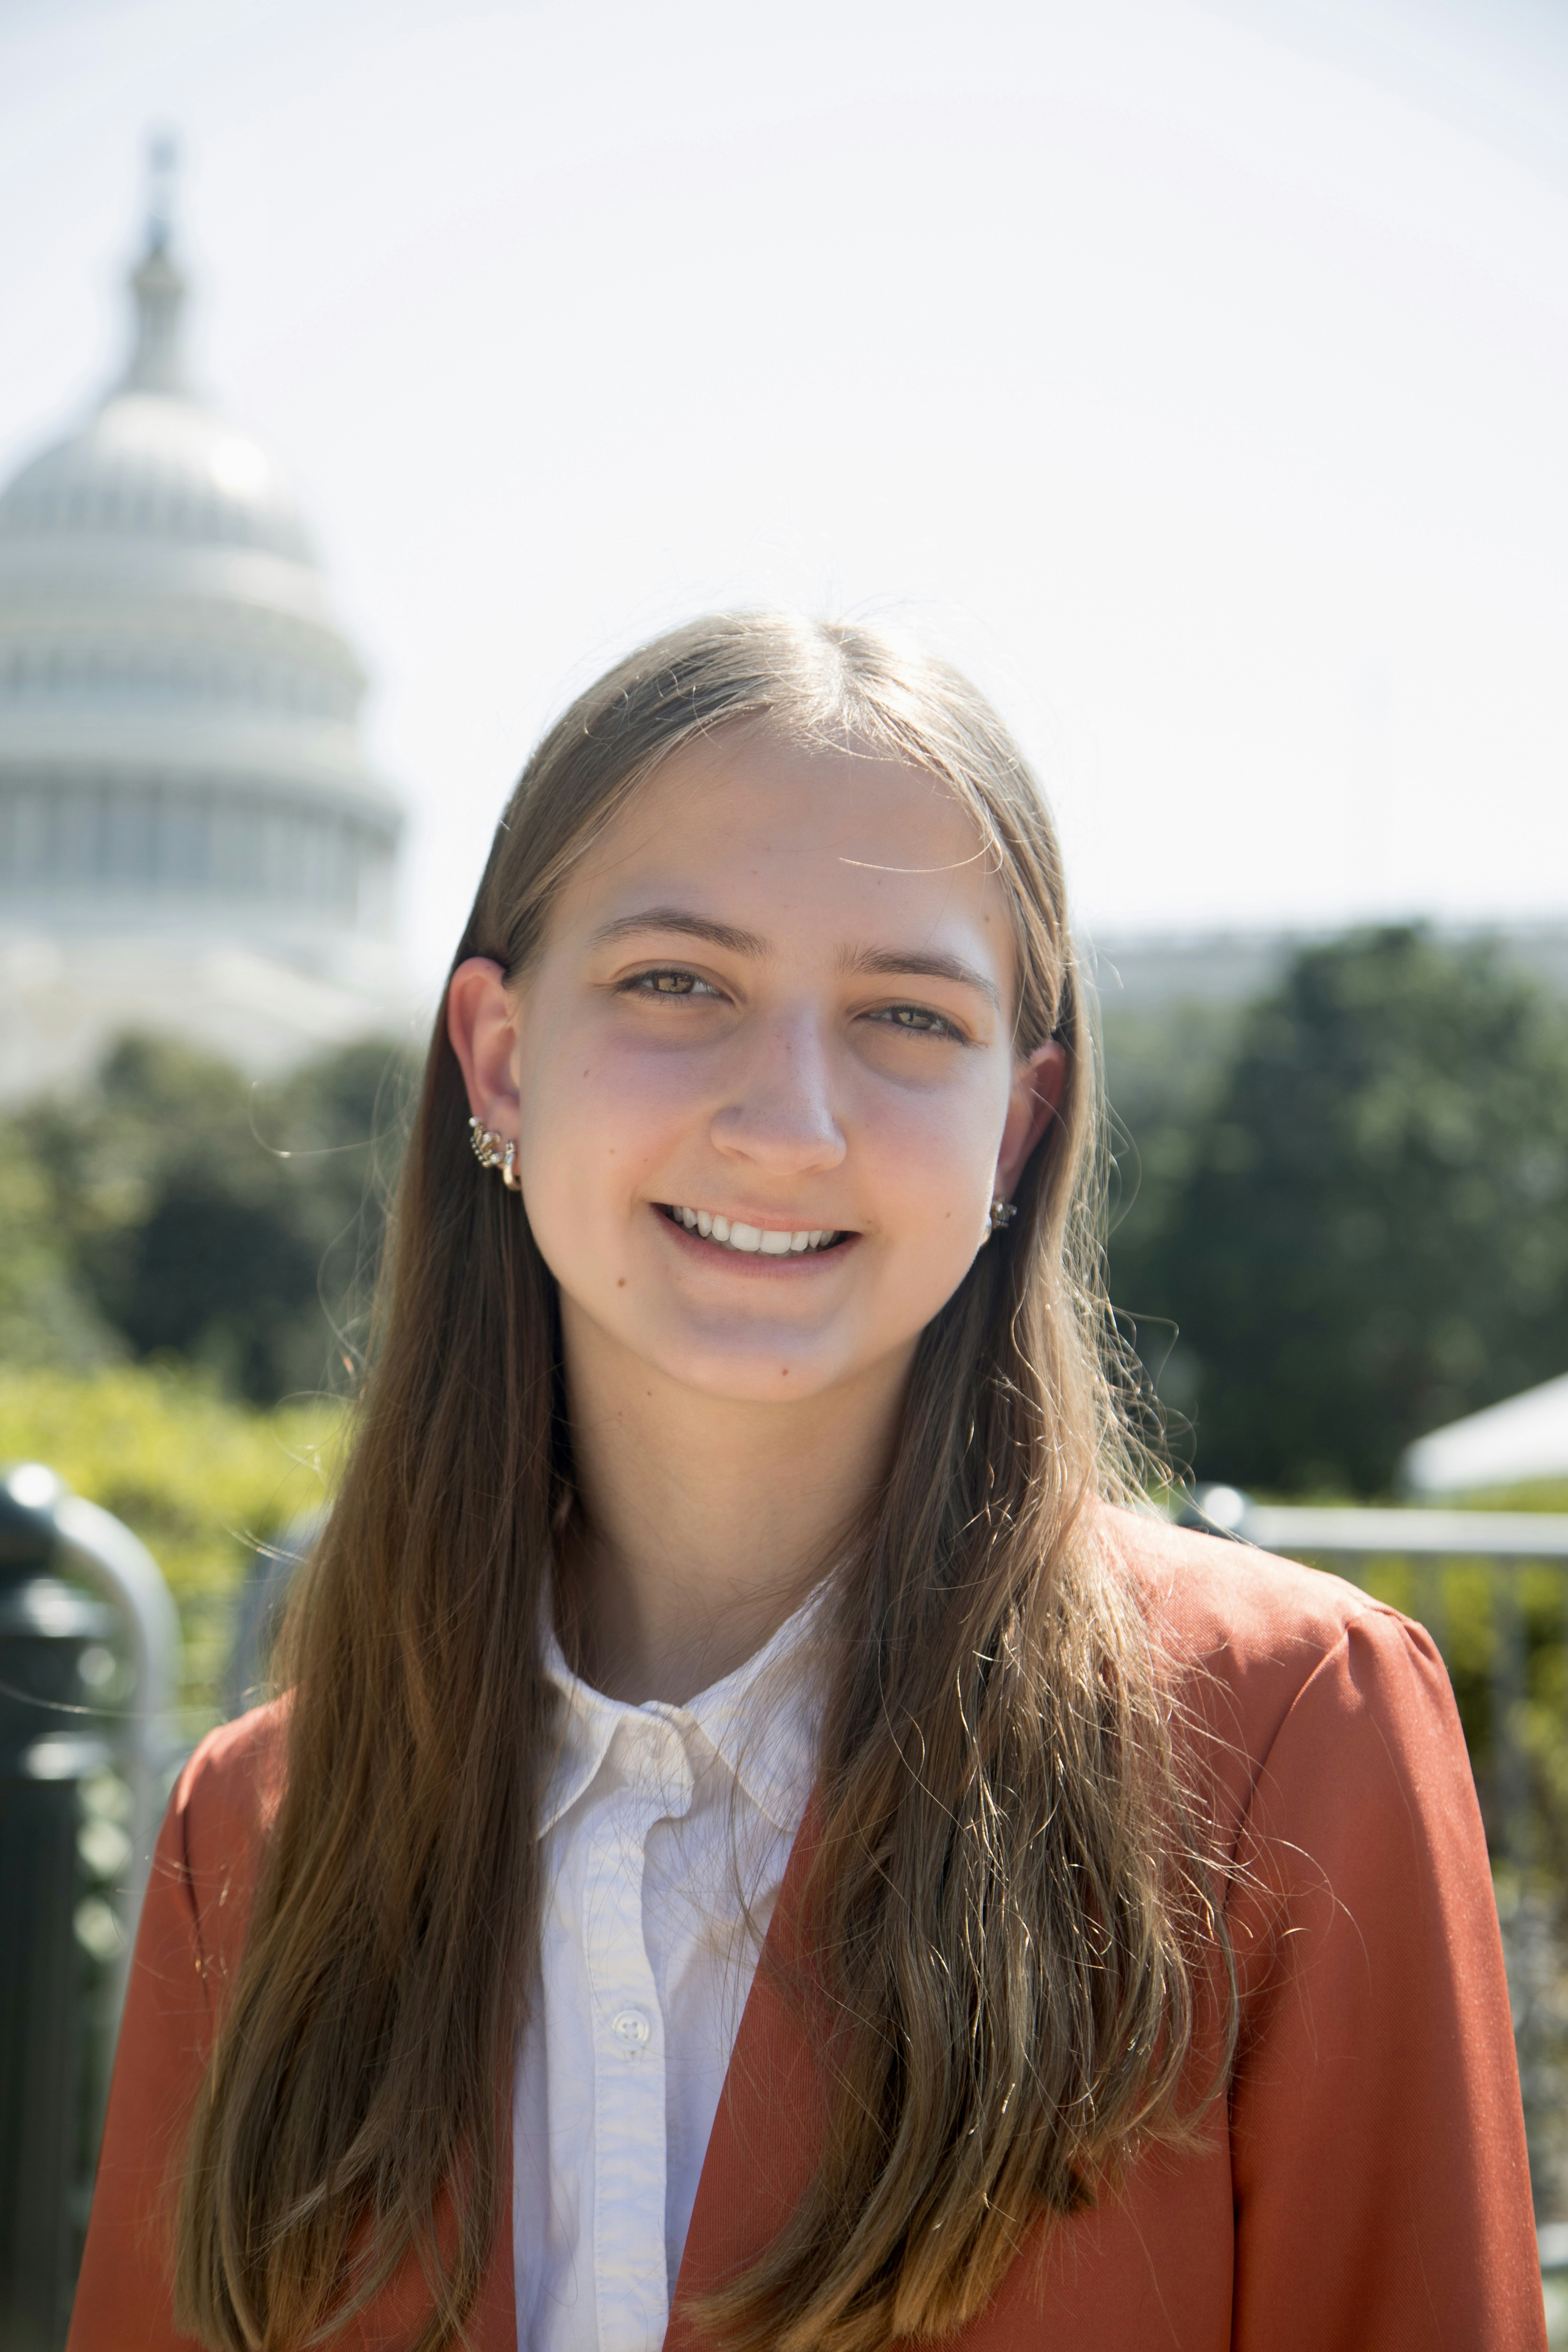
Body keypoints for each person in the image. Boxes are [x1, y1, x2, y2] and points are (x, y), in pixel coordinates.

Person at [69, 615, 1542, 2352]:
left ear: (1015, 1126)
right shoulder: (252, 1834)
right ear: (500, 1057)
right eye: (676, 982)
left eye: (907, 1014)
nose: (789, 1120)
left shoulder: (1291, 1742)